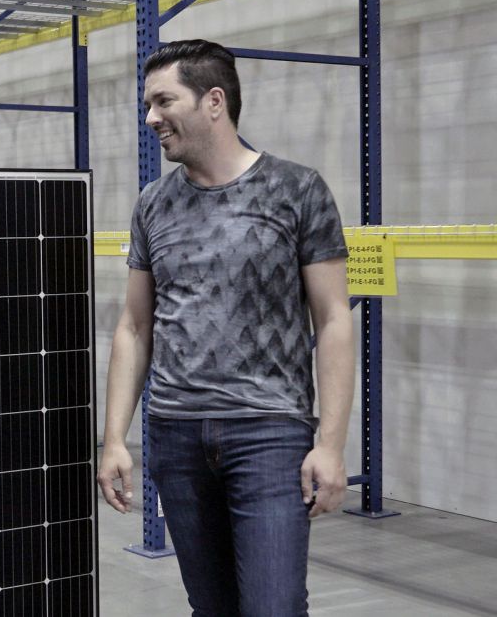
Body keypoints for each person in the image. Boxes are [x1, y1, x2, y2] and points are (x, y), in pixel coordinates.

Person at [97, 40, 354, 616]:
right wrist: (115, 438)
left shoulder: (297, 190)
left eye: (164, 101)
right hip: (175, 436)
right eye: (147, 104)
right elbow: (135, 327)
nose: (151, 118)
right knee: (212, 607)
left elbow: (334, 319)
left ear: (214, 101)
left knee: (273, 605)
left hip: (269, 434)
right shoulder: (152, 205)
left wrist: (331, 445)